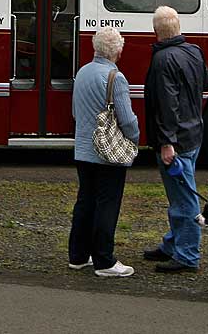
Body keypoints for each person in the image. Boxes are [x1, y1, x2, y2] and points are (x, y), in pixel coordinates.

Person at [142, 5, 208, 273]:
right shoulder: (194, 51)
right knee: (180, 194)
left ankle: (187, 255)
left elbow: (166, 104)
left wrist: (166, 142)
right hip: (194, 133)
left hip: (177, 140)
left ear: (156, 31)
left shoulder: (162, 60)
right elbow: (207, 82)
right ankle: (173, 244)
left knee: (183, 199)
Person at [67, 26, 140, 277]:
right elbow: (127, 120)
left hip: (83, 149)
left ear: (96, 47)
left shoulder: (83, 73)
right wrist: (135, 138)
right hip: (108, 153)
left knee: (85, 201)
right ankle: (104, 261)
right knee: (107, 204)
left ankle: (78, 255)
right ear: (118, 51)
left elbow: (76, 113)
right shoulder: (115, 78)